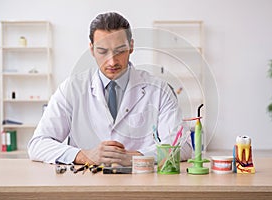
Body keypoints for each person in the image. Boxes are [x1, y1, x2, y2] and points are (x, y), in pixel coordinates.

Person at [27, 12, 192, 166]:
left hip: (141, 185)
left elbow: (183, 147)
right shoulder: (72, 89)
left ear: (131, 46)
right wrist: (84, 155)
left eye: (120, 51)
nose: (112, 62)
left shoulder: (158, 90)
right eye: (102, 51)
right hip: (85, 186)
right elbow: (38, 144)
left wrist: (138, 156)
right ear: (92, 49)